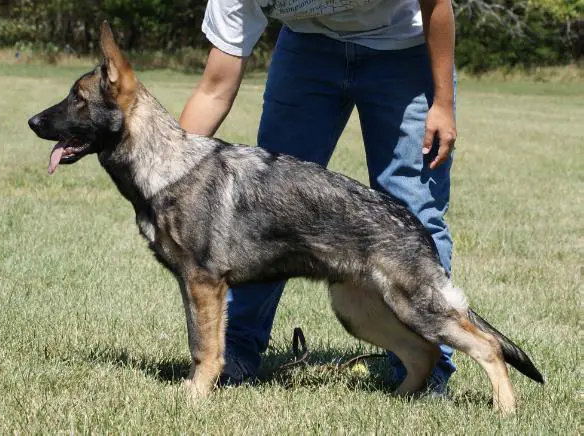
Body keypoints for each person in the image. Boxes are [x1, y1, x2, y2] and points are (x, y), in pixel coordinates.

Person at [179, 0, 458, 394]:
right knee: (264, 210)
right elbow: (214, 87)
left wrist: (442, 103)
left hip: (403, 50)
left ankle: (428, 368)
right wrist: (168, 179)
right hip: (307, 51)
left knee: (415, 213)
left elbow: (437, 3)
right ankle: (234, 352)